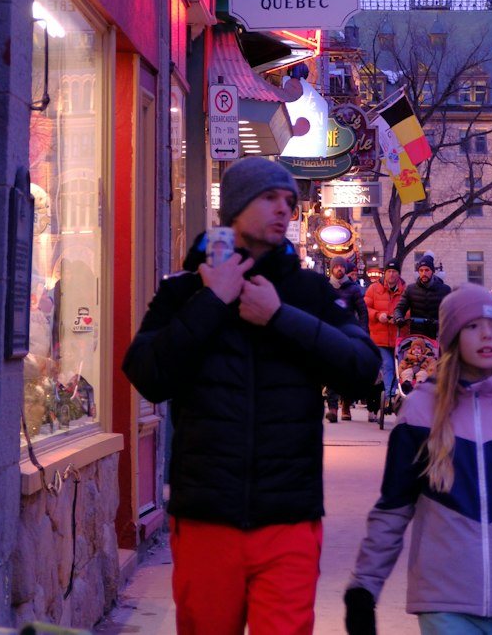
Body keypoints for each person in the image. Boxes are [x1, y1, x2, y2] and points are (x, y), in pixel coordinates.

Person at [122, 155, 379, 635]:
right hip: (206, 518)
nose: (285, 209)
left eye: (289, 200)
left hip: (289, 518)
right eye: (269, 198)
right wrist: (213, 300)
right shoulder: (184, 291)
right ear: (236, 207)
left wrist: (282, 317)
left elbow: (364, 373)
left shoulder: (310, 291)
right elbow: (147, 375)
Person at [345, 284, 492, 635]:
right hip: (445, 603)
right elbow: (393, 508)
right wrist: (364, 586)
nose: (487, 335)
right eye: (473, 326)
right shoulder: (421, 411)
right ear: (452, 336)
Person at [326, 258, 370, 423]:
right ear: (331, 269)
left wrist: (363, 331)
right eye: (336, 267)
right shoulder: (326, 287)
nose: (339, 270)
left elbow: (362, 311)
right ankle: (332, 408)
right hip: (329, 332)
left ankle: (345, 404)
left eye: (341, 267)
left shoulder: (353, 289)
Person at [366, 261, 405, 410]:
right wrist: (378, 315)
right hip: (379, 338)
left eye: (394, 271)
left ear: (398, 274)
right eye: (389, 271)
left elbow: (409, 309)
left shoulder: (405, 290)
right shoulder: (373, 289)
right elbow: (366, 308)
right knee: (388, 366)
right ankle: (389, 398)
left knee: (399, 368)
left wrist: (400, 318)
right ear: (384, 273)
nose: (391, 274)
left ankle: (397, 395)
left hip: (399, 337)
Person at [393, 253, 450, 340]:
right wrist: (398, 318)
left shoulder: (445, 290)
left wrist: (443, 322)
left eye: (427, 270)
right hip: (416, 336)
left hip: (438, 335)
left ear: (433, 271)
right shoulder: (410, 289)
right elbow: (400, 308)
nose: (424, 273)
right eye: (421, 270)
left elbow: (451, 312)